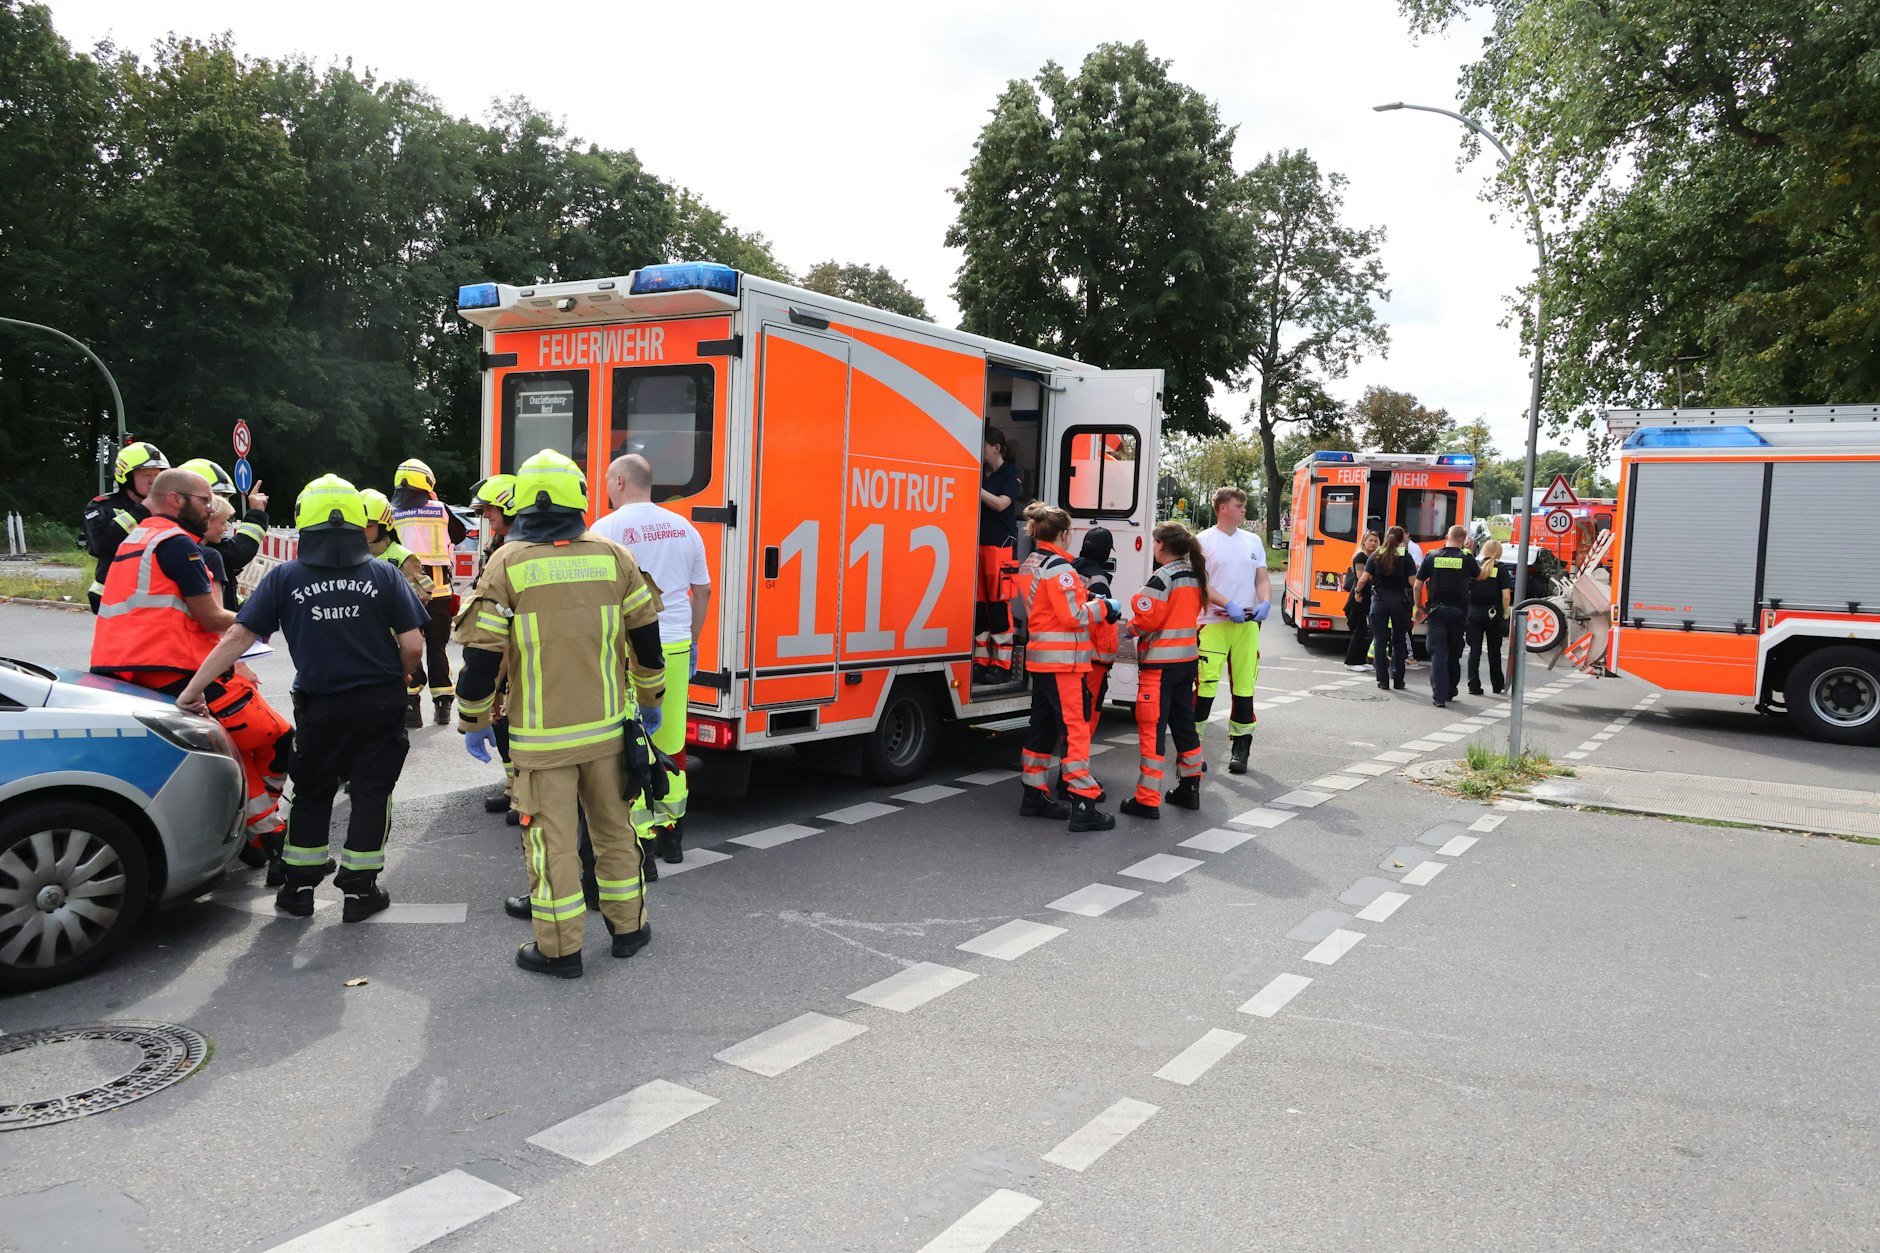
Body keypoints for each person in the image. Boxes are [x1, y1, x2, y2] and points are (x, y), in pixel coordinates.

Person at [453, 450, 667, 979]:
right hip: (609, 734)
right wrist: (650, 702)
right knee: (615, 832)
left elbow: (481, 658)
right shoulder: (615, 558)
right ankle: (629, 929)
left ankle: (560, 950)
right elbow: (647, 643)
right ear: (581, 498)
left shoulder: (508, 562)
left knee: (552, 846)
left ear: (523, 502)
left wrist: (474, 720)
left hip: (540, 742)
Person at [178, 476, 426, 919]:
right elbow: (413, 646)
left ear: (302, 522)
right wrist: (397, 676)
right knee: (372, 792)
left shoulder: (286, 578)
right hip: (381, 704)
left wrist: (192, 691)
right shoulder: (385, 574)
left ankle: (297, 890)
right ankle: (359, 890)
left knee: (312, 791)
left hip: (321, 706)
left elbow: (236, 637)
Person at [90, 468, 292, 869]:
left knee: (235, 749)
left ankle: (265, 833)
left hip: (122, 667)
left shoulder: (136, 538)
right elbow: (212, 617)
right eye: (205, 501)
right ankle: (263, 828)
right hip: (175, 666)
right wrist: (276, 616)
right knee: (274, 737)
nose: (211, 509)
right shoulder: (176, 543)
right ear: (176, 500)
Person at [591, 453, 712, 874]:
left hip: (626, 651)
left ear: (621, 482)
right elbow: (703, 591)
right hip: (675, 646)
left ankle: (641, 849)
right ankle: (673, 834)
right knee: (672, 743)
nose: (606, 489)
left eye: (607, 481)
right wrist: (692, 642)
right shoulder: (684, 527)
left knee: (631, 743)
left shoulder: (604, 530)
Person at [1013, 503, 1119, 832]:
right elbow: (1072, 615)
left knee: (1041, 729)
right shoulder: (1060, 567)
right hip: (1065, 664)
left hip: (1042, 659)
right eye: (1071, 530)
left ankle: (1034, 793)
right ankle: (1084, 802)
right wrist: (1103, 606)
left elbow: (1052, 602)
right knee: (1075, 731)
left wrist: (1083, 594)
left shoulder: (1033, 562)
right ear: (1063, 533)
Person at [1118, 521, 1208, 820]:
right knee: (1184, 726)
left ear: (1160, 545)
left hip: (1160, 666)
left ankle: (1146, 800)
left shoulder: (1162, 578)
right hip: (1186, 663)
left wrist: (1127, 629)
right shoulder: (1194, 575)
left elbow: (1147, 620)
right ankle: (1190, 788)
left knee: (1152, 729)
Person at [1194, 486, 1270, 776]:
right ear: (1222, 508)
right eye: (1239, 505)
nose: (1243, 510)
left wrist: (1264, 602)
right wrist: (1227, 603)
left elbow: (1261, 577)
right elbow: (1201, 583)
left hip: (1247, 624)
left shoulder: (1253, 541)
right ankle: (1193, 748)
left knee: (1244, 687)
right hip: (1213, 623)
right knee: (1205, 686)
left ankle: (1241, 748)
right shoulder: (1201, 541)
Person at [390, 457, 467, 727]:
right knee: (437, 647)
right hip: (438, 592)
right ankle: (443, 705)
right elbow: (458, 535)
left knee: (408, 646)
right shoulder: (440, 510)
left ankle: (412, 706)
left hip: (403, 592)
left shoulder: (391, 511)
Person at [466, 475, 519, 826]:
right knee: (500, 720)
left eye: (489, 510)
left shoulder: (517, 549)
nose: (486, 516)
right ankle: (513, 784)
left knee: (515, 721)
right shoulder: (499, 544)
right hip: (500, 650)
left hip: (516, 652)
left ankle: (523, 793)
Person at [82, 441, 169, 613]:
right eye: (145, 475)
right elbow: (101, 545)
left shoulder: (168, 507)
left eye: (157, 475)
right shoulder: (101, 507)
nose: (153, 481)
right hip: (113, 599)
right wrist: (142, 511)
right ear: (127, 477)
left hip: (157, 597)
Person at [176, 457, 269, 604]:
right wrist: (256, 514)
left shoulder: (184, 545)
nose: (213, 508)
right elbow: (238, 553)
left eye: (224, 499)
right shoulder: (204, 553)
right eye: (211, 500)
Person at [972, 429, 1023, 686]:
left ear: (996, 448)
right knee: (980, 607)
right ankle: (981, 661)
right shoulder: (983, 473)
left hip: (1001, 547)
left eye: (984, 447)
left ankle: (1002, 665)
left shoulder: (1012, 474)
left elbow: (1002, 504)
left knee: (999, 606)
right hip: (979, 545)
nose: (981, 452)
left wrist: (974, 486)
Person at [1414, 523, 1480, 708]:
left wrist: (1418, 606)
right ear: (1464, 540)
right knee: (1453, 652)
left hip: (1436, 612)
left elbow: (1417, 585)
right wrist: (1470, 552)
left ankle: (1439, 696)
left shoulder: (1432, 555)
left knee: (1438, 654)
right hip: (1458, 613)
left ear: (1447, 536)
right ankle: (1451, 690)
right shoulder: (1466, 558)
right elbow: (1480, 575)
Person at [1357, 526, 1415, 691]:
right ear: (1400, 540)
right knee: (1398, 641)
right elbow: (1413, 582)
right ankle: (1398, 680)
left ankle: (1382, 680)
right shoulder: (1407, 557)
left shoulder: (1376, 555)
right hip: (1400, 602)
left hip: (1380, 601)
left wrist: (1357, 592)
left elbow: (1363, 579)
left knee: (1380, 641)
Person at [360, 488, 437, 600]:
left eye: (369, 526)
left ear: (384, 526)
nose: (363, 531)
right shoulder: (346, 554)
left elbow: (417, 604)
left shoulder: (403, 558)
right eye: (359, 525)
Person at [1074, 527, 1117, 724]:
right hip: (1092, 660)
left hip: (1070, 654)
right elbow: (1102, 621)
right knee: (1087, 716)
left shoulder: (1070, 568)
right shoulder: (1098, 580)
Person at [1465, 537, 1514, 696]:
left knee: (1475, 650)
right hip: (1493, 613)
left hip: (1473, 612)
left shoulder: (1474, 566)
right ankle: (1497, 684)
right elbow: (1506, 596)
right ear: (1499, 552)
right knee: (1494, 650)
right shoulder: (1500, 568)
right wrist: (1505, 612)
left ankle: (1473, 685)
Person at [1343, 531, 1381, 670]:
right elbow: (1361, 576)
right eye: (1370, 540)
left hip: (1368, 596)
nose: (1373, 543)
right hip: (1359, 596)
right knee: (1359, 628)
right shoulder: (1360, 557)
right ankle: (1351, 661)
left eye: (1375, 541)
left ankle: (1360, 660)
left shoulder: (1374, 557)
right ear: (1364, 542)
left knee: (1365, 630)